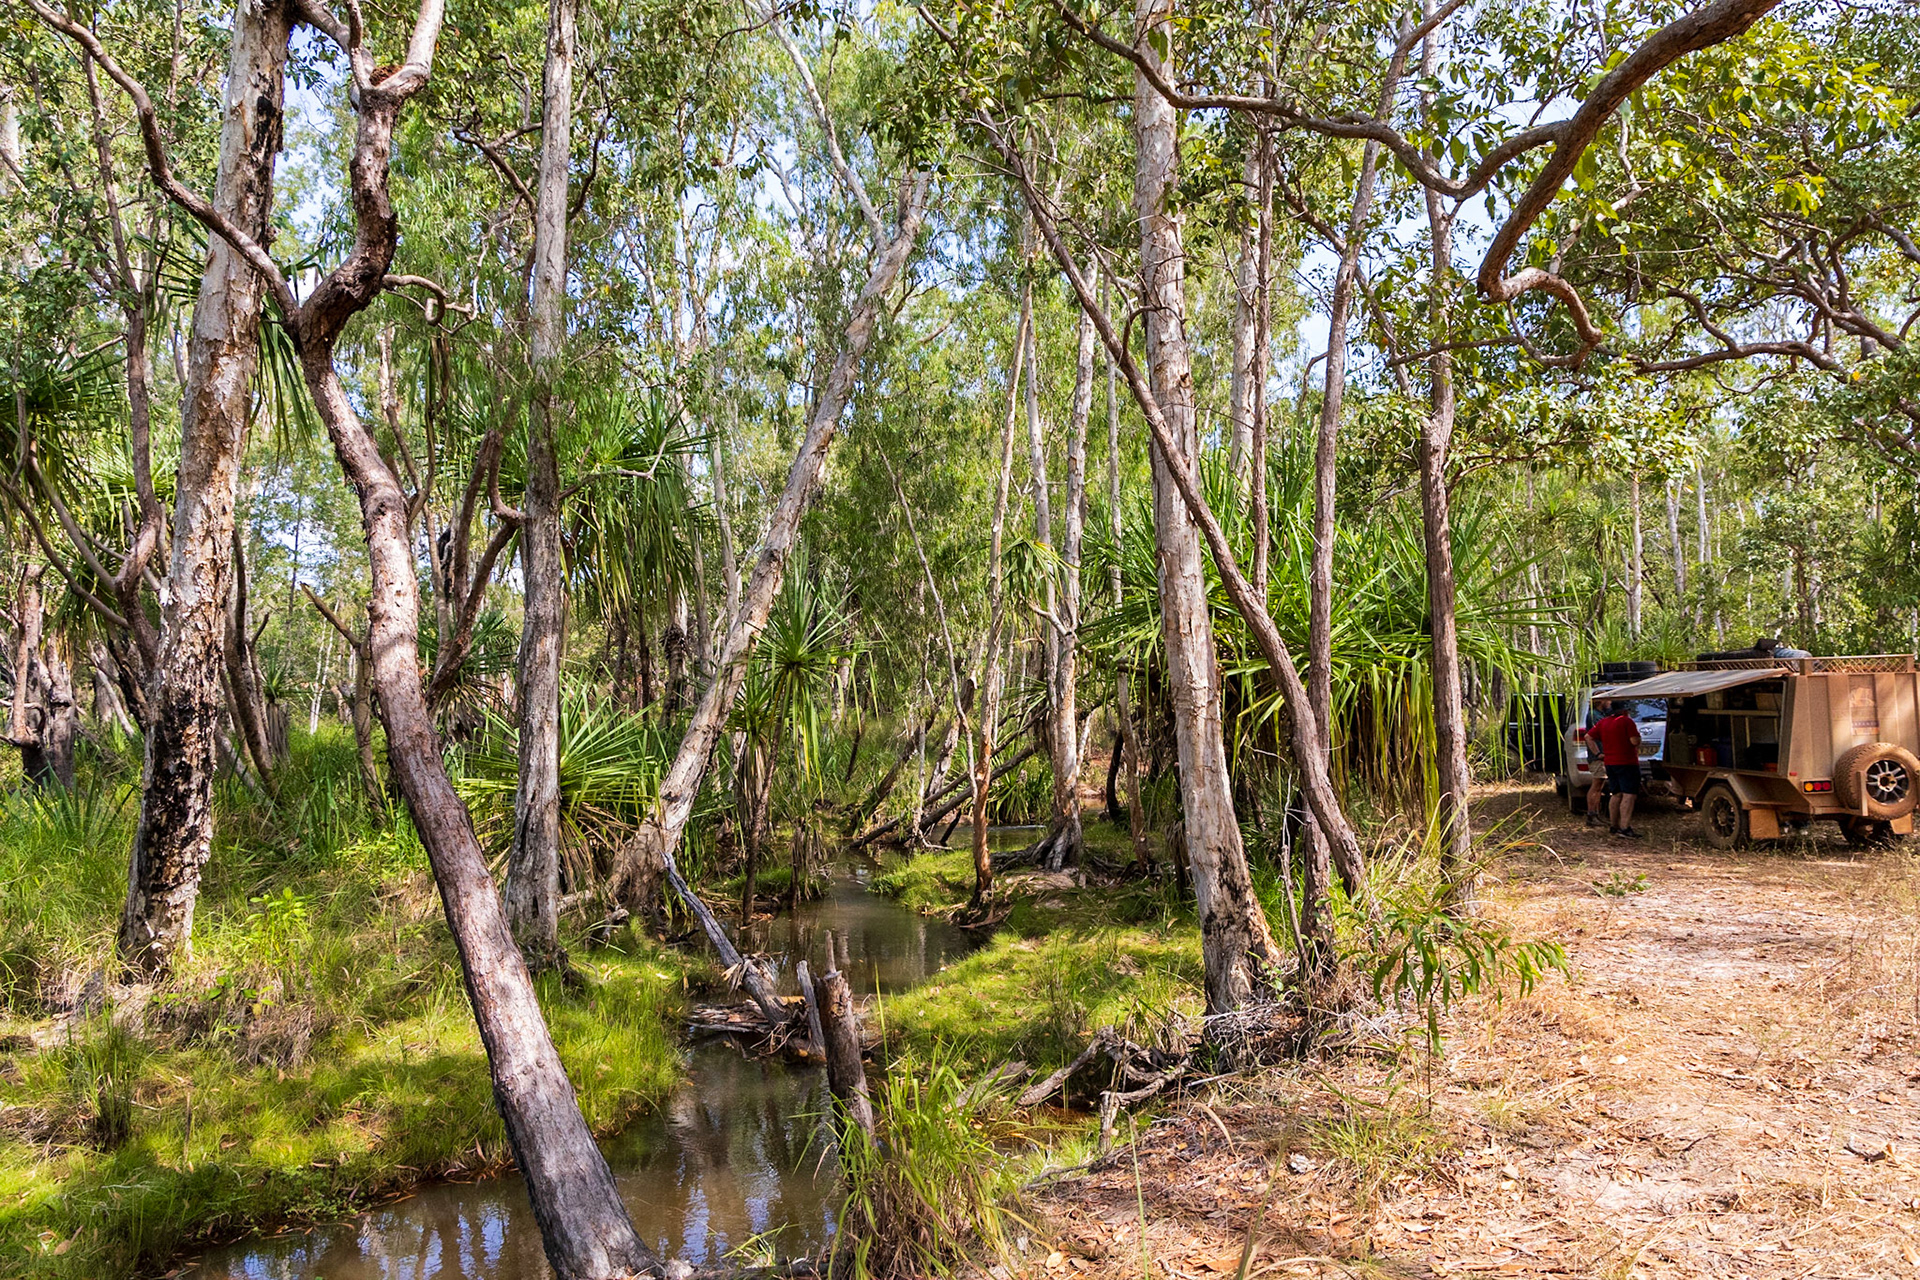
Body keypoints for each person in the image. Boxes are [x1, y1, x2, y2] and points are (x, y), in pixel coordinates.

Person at [1584, 697, 1645, 838]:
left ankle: (1614, 825)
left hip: (1610, 762)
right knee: (1629, 794)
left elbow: (1588, 736)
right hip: (1627, 762)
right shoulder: (1626, 721)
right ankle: (1625, 827)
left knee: (1616, 793)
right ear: (1625, 710)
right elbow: (1634, 741)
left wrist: (1598, 753)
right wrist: (1639, 739)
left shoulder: (1604, 722)